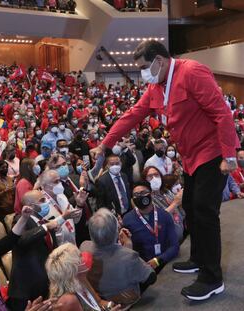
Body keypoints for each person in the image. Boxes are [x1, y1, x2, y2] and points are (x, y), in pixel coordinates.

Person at [99, 40, 239, 300]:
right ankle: (198, 258)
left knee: (205, 212)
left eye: (143, 67)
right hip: (190, 156)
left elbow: (222, 114)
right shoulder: (156, 86)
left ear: (159, 61)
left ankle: (212, 277)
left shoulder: (192, 72)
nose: (142, 73)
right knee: (191, 207)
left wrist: (229, 155)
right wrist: (106, 143)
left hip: (212, 152)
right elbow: (133, 114)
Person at [83, 208, 156, 307]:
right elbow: (151, 277)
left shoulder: (83, 247)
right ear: (116, 232)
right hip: (125, 304)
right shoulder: (129, 256)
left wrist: (123, 249)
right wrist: (128, 249)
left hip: (97, 303)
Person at [7, 190, 60, 311]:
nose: (46, 202)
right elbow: (21, 239)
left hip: (44, 284)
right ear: (30, 205)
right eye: (41, 200)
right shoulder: (20, 219)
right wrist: (46, 227)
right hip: (25, 291)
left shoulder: (43, 220)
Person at [123, 182, 179, 273]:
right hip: (142, 269)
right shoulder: (127, 219)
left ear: (151, 194)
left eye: (143, 193)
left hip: (165, 264)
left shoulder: (164, 216)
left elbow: (175, 246)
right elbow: (127, 250)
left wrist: (158, 260)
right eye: (136, 195)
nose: (140, 196)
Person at [45, 242, 108, 311]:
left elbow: (99, 302)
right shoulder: (69, 301)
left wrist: (112, 305)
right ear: (73, 269)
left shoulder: (80, 278)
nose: (84, 257)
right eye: (80, 256)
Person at [39, 170, 85, 245]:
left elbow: (75, 219)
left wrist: (79, 205)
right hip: (58, 248)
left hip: (72, 242)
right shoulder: (41, 205)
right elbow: (46, 231)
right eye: (56, 181)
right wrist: (63, 217)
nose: (59, 184)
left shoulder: (61, 195)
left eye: (59, 180)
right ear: (44, 186)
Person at [142, 167, 185, 242]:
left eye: (156, 175)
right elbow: (158, 218)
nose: (154, 178)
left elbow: (179, 211)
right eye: (150, 176)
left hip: (180, 231)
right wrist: (175, 203)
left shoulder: (166, 192)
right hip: (167, 241)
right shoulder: (147, 199)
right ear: (145, 180)